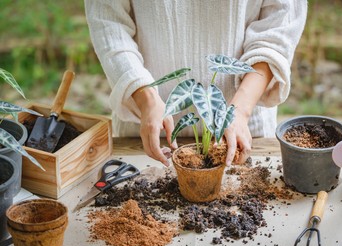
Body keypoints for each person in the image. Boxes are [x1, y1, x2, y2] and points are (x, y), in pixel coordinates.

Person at [84, 0, 307, 167]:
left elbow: (279, 27)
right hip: (149, 137)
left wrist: (239, 112)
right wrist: (147, 100)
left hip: (241, 135)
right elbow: (108, 23)